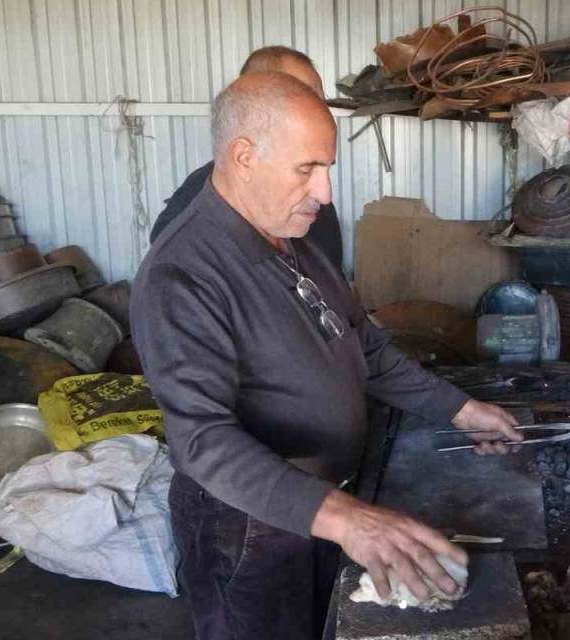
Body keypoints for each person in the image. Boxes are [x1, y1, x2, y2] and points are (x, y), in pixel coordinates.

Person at [131, 72, 522, 640]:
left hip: (321, 507)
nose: (326, 192)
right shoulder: (182, 275)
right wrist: (349, 520)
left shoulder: (292, 238)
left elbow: (363, 345)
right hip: (247, 529)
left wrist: (459, 410)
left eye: (327, 167)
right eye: (307, 168)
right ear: (244, 157)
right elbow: (202, 440)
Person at [151, 46, 344, 271]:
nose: (324, 195)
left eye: (319, 100)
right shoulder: (188, 230)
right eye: (295, 94)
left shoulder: (316, 203)